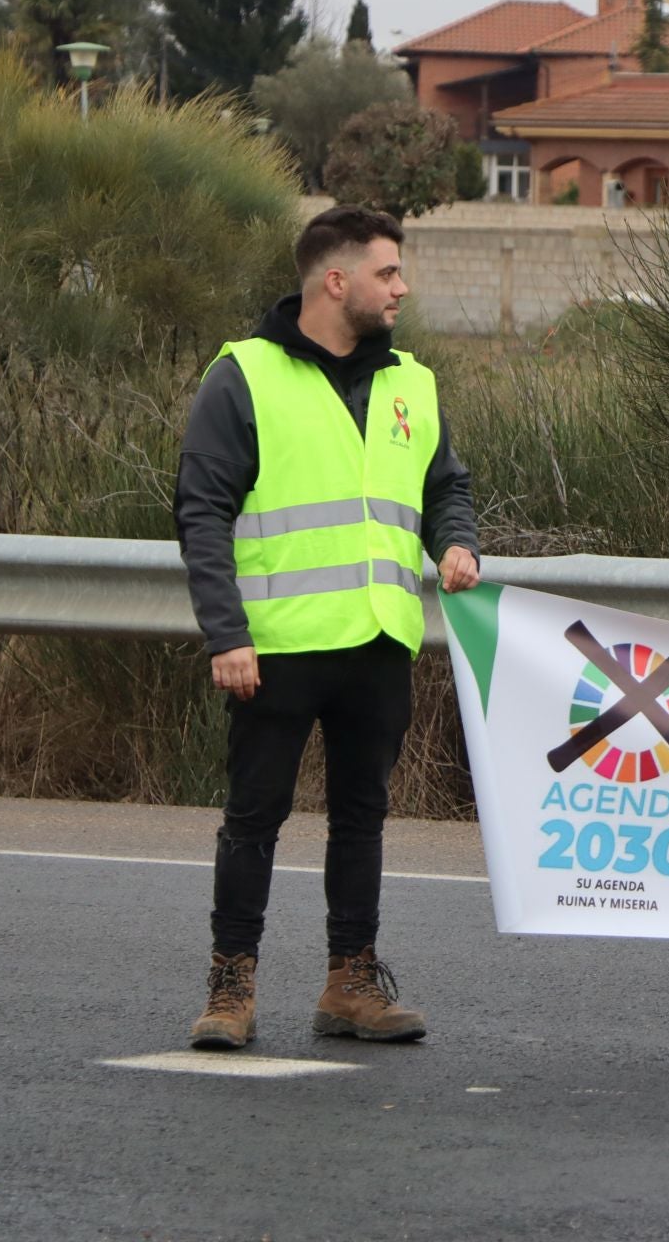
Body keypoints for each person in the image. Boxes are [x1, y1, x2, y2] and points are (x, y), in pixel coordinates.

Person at [174, 206, 481, 1049]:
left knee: (362, 817)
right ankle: (231, 986)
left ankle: (351, 981)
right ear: (334, 281)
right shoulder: (244, 375)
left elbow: (444, 485)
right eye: (388, 273)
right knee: (254, 817)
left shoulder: (410, 381)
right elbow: (202, 512)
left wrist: (456, 541)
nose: (402, 287)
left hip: (378, 638)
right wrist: (225, 633)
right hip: (274, 645)